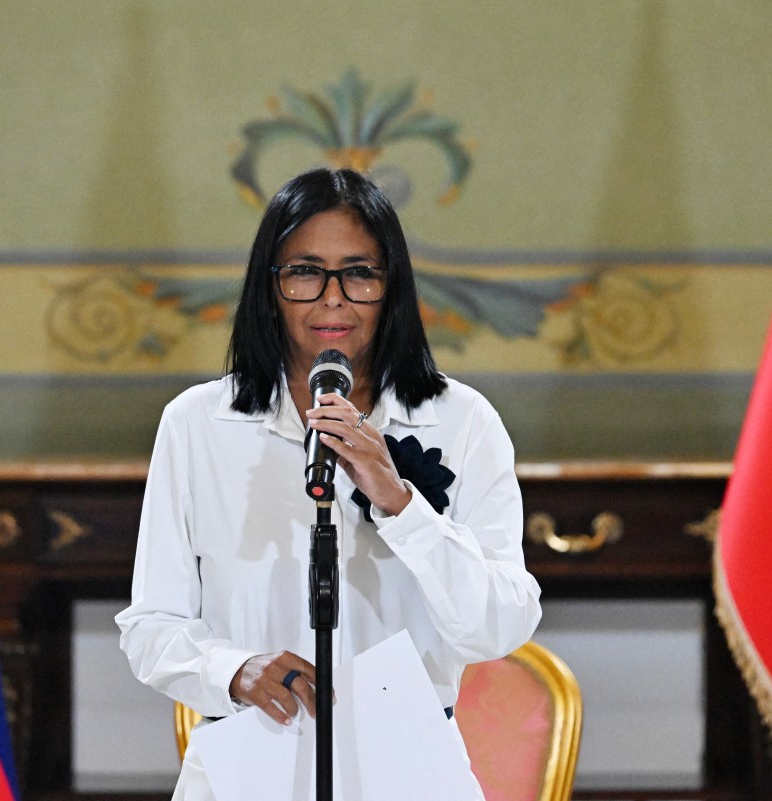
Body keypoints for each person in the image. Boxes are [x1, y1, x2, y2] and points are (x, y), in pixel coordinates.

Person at [115, 167, 542, 799]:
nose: (332, 299)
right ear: (271, 286)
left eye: (360, 273)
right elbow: (151, 625)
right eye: (305, 271)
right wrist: (233, 669)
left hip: (408, 768)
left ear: (391, 286)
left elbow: (499, 626)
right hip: (252, 762)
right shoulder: (198, 424)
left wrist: (399, 502)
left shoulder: (462, 420)